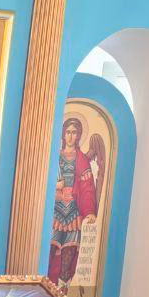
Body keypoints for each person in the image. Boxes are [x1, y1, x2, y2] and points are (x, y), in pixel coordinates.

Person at [48, 117, 101, 287]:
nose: (71, 136)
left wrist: (90, 211)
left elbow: (87, 187)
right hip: (54, 213)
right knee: (48, 255)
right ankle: (46, 290)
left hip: (73, 215)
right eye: (68, 132)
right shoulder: (54, 156)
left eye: (74, 132)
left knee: (68, 258)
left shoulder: (82, 159)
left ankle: (62, 296)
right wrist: (56, 189)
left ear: (78, 135)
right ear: (63, 134)